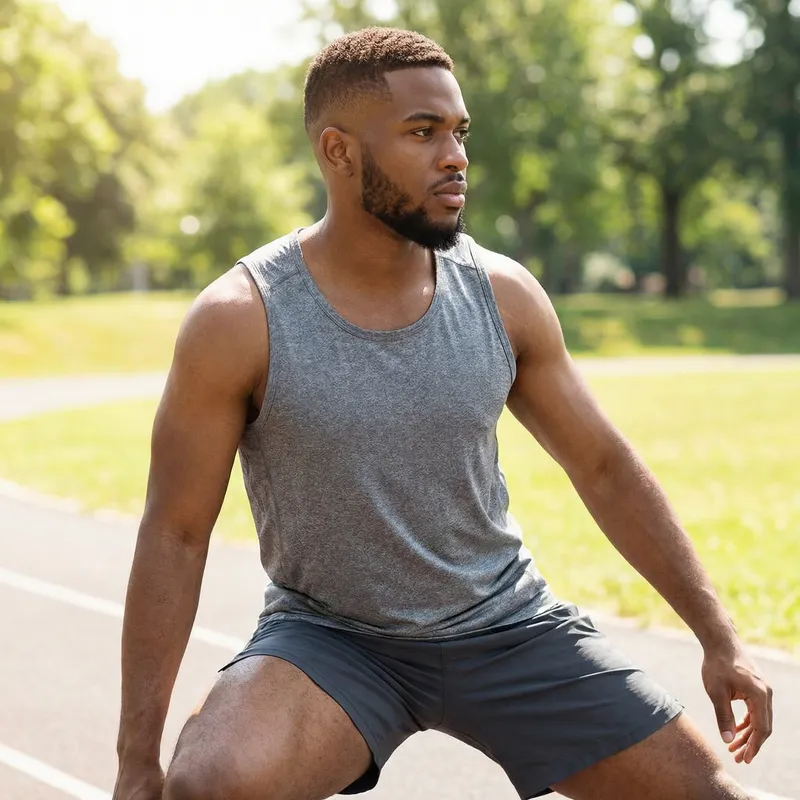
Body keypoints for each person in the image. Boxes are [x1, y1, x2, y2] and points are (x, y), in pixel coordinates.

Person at [113, 27, 773, 800]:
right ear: (338, 152)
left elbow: (603, 467)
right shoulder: (240, 319)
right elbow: (177, 533)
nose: (455, 156)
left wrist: (720, 637)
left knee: (717, 797)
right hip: (331, 641)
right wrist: (135, 763)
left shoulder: (503, 296)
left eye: (458, 132)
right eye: (422, 133)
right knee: (209, 786)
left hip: (508, 627)